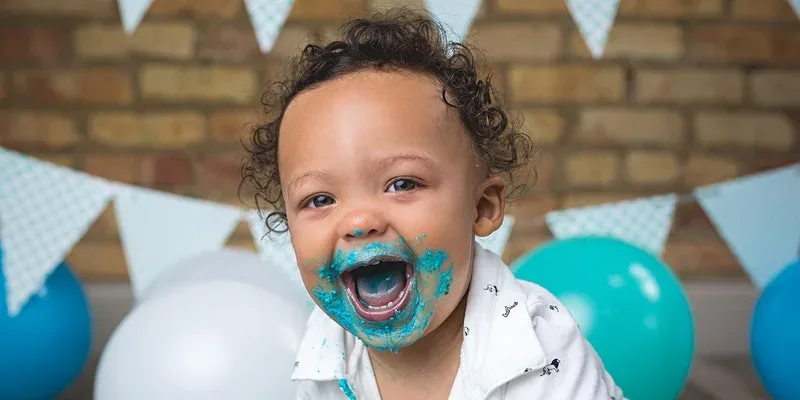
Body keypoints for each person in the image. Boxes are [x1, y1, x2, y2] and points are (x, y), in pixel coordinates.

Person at [241, 7, 624, 400]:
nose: (358, 220)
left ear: (482, 207)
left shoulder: (536, 347)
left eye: (401, 183)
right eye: (319, 199)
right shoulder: (325, 351)